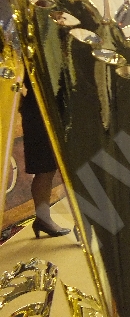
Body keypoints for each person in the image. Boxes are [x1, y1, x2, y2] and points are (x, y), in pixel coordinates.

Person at [20, 71, 71, 238]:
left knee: (55, 168)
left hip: (61, 104)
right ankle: (43, 219)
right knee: (45, 167)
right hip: (39, 107)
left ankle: (46, 219)